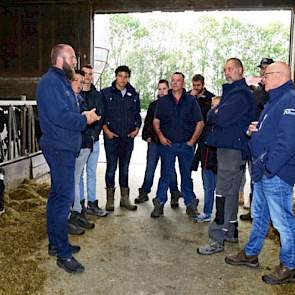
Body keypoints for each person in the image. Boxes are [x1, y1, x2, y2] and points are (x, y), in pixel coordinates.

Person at [225, 62, 295, 285]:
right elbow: (271, 132)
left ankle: (290, 265)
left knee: (282, 221)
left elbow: (288, 141)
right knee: (260, 217)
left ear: (280, 76)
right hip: (264, 173)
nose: (262, 79)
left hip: (276, 174)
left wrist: (270, 168)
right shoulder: (273, 101)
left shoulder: (290, 99)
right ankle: (251, 253)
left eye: (266, 75)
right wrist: (252, 130)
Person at [37, 44, 99, 273]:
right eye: (72, 57)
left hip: (65, 145)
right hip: (59, 146)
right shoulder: (50, 83)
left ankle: (56, 243)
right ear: (61, 59)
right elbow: (61, 116)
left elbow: (68, 112)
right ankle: (62, 254)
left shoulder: (62, 82)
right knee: (64, 199)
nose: (76, 60)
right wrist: (85, 119)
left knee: (58, 197)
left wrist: (82, 116)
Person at [197, 58, 256, 255]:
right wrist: (217, 108)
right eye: (225, 69)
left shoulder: (239, 94)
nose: (227, 72)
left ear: (240, 70)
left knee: (222, 193)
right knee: (231, 192)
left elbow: (216, 117)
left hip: (232, 149)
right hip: (233, 148)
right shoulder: (235, 93)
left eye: (230, 69)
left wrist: (215, 109)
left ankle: (216, 238)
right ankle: (231, 230)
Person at [150, 72, 204, 218]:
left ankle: (190, 205)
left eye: (178, 80)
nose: (174, 83)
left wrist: (192, 141)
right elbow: (156, 121)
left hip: (186, 146)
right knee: (165, 175)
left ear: (183, 83)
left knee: (186, 176)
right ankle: (159, 203)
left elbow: (200, 123)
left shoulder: (191, 101)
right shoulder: (163, 101)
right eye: (172, 80)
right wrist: (160, 137)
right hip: (168, 145)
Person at [135, 79, 181, 207]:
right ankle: (144, 192)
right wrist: (147, 136)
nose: (161, 91)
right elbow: (148, 122)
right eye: (159, 89)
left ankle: (174, 194)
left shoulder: (175, 104)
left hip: (168, 143)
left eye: (164, 89)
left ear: (169, 89)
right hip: (154, 143)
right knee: (150, 168)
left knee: (170, 170)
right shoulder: (153, 105)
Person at [101, 65, 141, 211]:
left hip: (127, 139)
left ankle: (125, 199)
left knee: (124, 169)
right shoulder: (105, 93)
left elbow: (137, 114)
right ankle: (110, 200)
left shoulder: (133, 94)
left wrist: (137, 129)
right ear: (115, 76)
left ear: (128, 77)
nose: (123, 79)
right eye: (120, 76)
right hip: (111, 138)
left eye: (125, 76)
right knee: (111, 168)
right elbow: (101, 115)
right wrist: (106, 131)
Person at [240, 57, 274, 222]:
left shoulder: (272, 92)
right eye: (262, 68)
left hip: (266, 141)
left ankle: (261, 213)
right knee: (255, 176)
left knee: (263, 177)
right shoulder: (259, 90)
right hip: (254, 137)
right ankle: (255, 211)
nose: (263, 70)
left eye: (266, 67)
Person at [68, 70, 97, 231]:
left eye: (81, 81)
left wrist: (91, 137)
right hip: (71, 147)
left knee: (75, 179)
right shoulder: (68, 101)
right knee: (72, 181)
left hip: (84, 145)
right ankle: (73, 214)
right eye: (75, 80)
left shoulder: (80, 100)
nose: (78, 84)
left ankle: (77, 212)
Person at [79, 65, 108, 218]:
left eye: (91, 74)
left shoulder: (97, 95)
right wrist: (85, 136)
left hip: (94, 140)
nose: (88, 77)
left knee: (91, 172)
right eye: (85, 74)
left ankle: (92, 203)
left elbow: (101, 117)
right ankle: (80, 205)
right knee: (79, 174)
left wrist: (92, 136)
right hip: (80, 141)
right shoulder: (75, 94)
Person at [188, 74, 216, 222]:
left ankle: (208, 209)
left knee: (206, 172)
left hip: (205, 139)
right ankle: (189, 195)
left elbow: (207, 117)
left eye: (198, 86)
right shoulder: (188, 96)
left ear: (203, 85)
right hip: (190, 136)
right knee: (187, 166)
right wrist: (191, 98)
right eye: (194, 85)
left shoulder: (210, 98)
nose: (196, 88)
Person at [193, 96, 219, 223]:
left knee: (221, 191)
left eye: (217, 107)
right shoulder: (206, 126)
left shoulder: (224, 128)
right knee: (208, 188)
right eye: (212, 106)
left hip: (219, 165)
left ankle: (221, 216)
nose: (213, 110)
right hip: (206, 163)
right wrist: (195, 162)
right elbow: (200, 146)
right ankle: (207, 212)